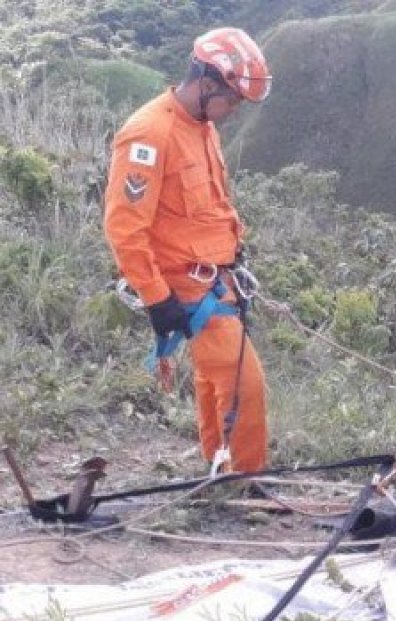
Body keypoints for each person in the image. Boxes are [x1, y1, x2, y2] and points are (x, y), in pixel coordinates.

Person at [104, 28, 272, 473]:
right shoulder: (148, 134)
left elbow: (211, 207)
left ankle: (217, 466)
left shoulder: (203, 127)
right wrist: (158, 299)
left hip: (218, 276)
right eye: (231, 100)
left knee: (214, 380)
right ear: (207, 83)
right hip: (186, 283)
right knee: (243, 384)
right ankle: (244, 481)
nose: (233, 112)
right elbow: (125, 228)